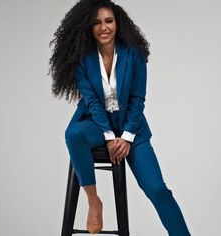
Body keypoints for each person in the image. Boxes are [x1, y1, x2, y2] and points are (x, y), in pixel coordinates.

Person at [48, 0, 191, 235]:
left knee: (157, 189)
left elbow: (137, 99)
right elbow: (92, 102)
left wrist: (126, 137)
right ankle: (94, 202)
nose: (104, 27)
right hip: (97, 123)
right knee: (73, 134)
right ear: (88, 27)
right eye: (96, 23)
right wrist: (107, 135)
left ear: (118, 23)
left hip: (132, 127)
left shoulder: (134, 54)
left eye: (109, 21)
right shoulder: (81, 59)